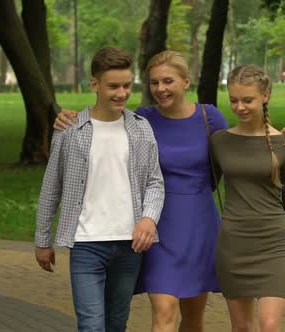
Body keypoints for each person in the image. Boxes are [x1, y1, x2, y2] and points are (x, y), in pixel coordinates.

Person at [54, 50, 285, 332]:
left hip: (201, 225)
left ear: (186, 82)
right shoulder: (140, 120)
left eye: (168, 81)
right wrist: (69, 117)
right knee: (164, 311)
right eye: (154, 82)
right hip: (157, 226)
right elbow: (102, 121)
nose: (161, 89)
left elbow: (247, 140)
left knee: (193, 318)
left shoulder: (211, 118)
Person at [35, 46, 165, 332]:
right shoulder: (69, 130)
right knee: (92, 325)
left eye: (127, 86)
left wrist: (148, 218)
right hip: (86, 243)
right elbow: (51, 186)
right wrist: (42, 240)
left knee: (117, 323)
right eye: (113, 86)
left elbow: (155, 182)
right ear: (95, 84)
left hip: (129, 244)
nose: (121, 93)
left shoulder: (141, 129)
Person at [210, 64, 285, 332]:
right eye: (234, 100)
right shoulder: (219, 141)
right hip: (234, 245)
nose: (239, 107)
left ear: (265, 95)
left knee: (269, 324)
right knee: (241, 328)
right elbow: (203, 184)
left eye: (247, 100)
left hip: (275, 245)